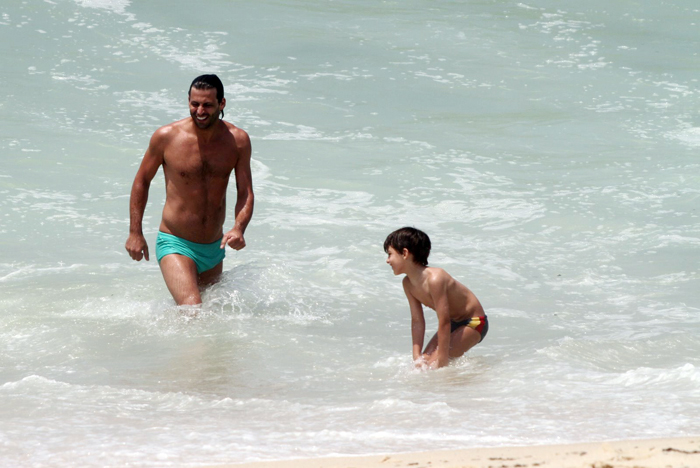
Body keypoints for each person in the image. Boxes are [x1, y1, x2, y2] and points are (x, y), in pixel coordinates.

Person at [125, 74, 254, 306]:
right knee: (193, 310)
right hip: (176, 241)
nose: (200, 110)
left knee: (210, 316)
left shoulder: (238, 141)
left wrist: (239, 227)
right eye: (194, 104)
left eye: (207, 105)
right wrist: (135, 232)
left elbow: (245, 190)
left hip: (214, 247)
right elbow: (141, 181)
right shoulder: (167, 137)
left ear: (222, 104)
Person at [384, 227, 488, 369]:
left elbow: (443, 320)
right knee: (423, 365)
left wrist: (442, 359)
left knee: (435, 365)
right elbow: (417, 320)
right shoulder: (408, 284)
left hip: (475, 322)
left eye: (390, 254)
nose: (387, 260)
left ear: (405, 253)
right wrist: (417, 356)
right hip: (453, 323)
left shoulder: (435, 278)